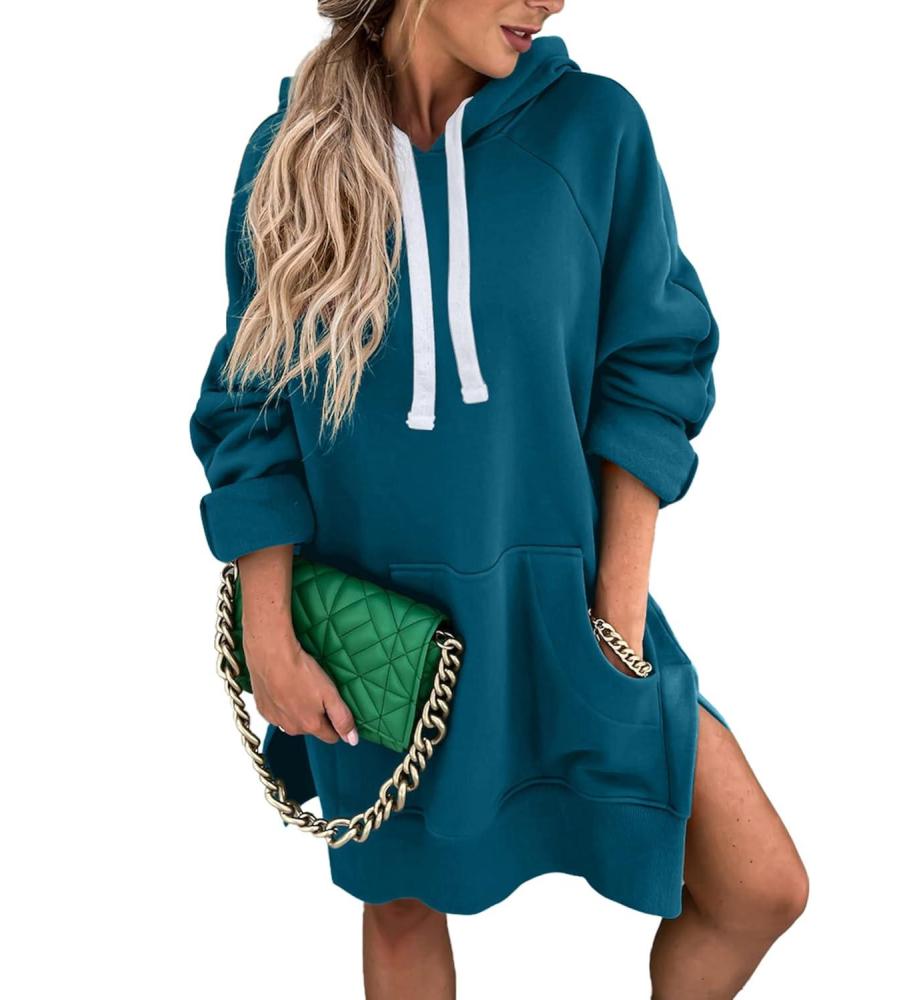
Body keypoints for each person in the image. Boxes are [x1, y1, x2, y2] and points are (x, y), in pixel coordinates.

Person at [189, 2, 808, 996]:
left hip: (565, 614)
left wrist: (616, 618)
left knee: (760, 887)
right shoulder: (291, 151)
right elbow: (249, 406)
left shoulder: (594, 129)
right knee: (402, 908)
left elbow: (653, 365)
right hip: (384, 639)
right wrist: (270, 636)